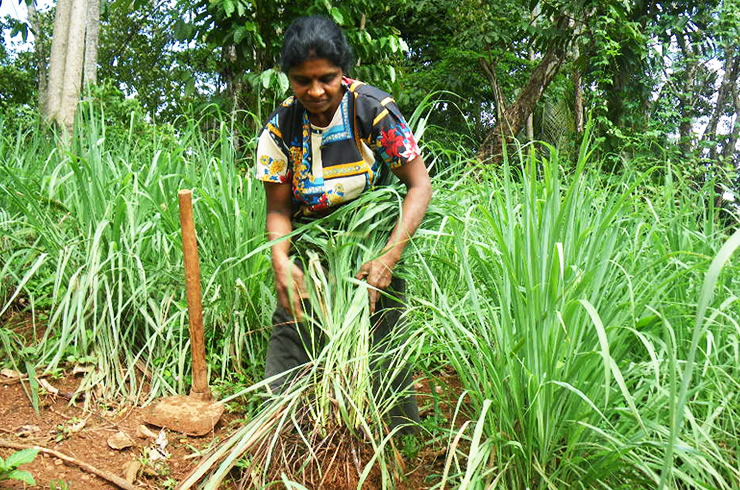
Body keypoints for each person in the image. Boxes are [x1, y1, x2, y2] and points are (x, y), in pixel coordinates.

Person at [255, 16, 432, 432]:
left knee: (382, 336)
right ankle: (282, 435)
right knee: (294, 332)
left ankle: (396, 442)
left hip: (373, 242)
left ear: (343, 71)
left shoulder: (372, 110)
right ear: (289, 79)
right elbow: (278, 209)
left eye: (327, 78)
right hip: (311, 245)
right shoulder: (281, 128)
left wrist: (389, 257)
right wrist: (281, 259)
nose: (316, 91)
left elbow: (419, 186)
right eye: (303, 81)